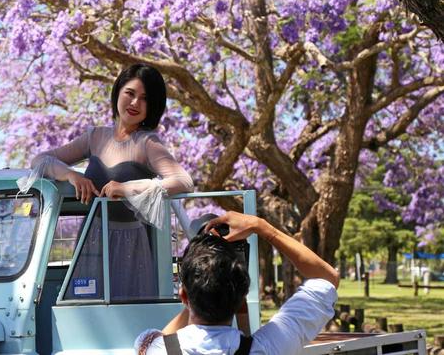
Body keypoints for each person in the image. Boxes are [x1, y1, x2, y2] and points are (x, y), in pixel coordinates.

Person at [23, 64, 193, 300]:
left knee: (129, 314)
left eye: (144, 99)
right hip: (90, 240)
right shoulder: (95, 137)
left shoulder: (147, 143)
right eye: (130, 93)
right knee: (85, 307)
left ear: (152, 106)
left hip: (131, 245)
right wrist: (71, 175)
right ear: (118, 92)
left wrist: (127, 189)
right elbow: (40, 160)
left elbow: (183, 181)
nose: (135, 103)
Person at [135, 211, 340, 354]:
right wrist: (263, 228)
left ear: (184, 296)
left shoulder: (155, 348)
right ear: (242, 295)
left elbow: (157, 339)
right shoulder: (267, 347)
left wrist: (200, 288)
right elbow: (327, 279)